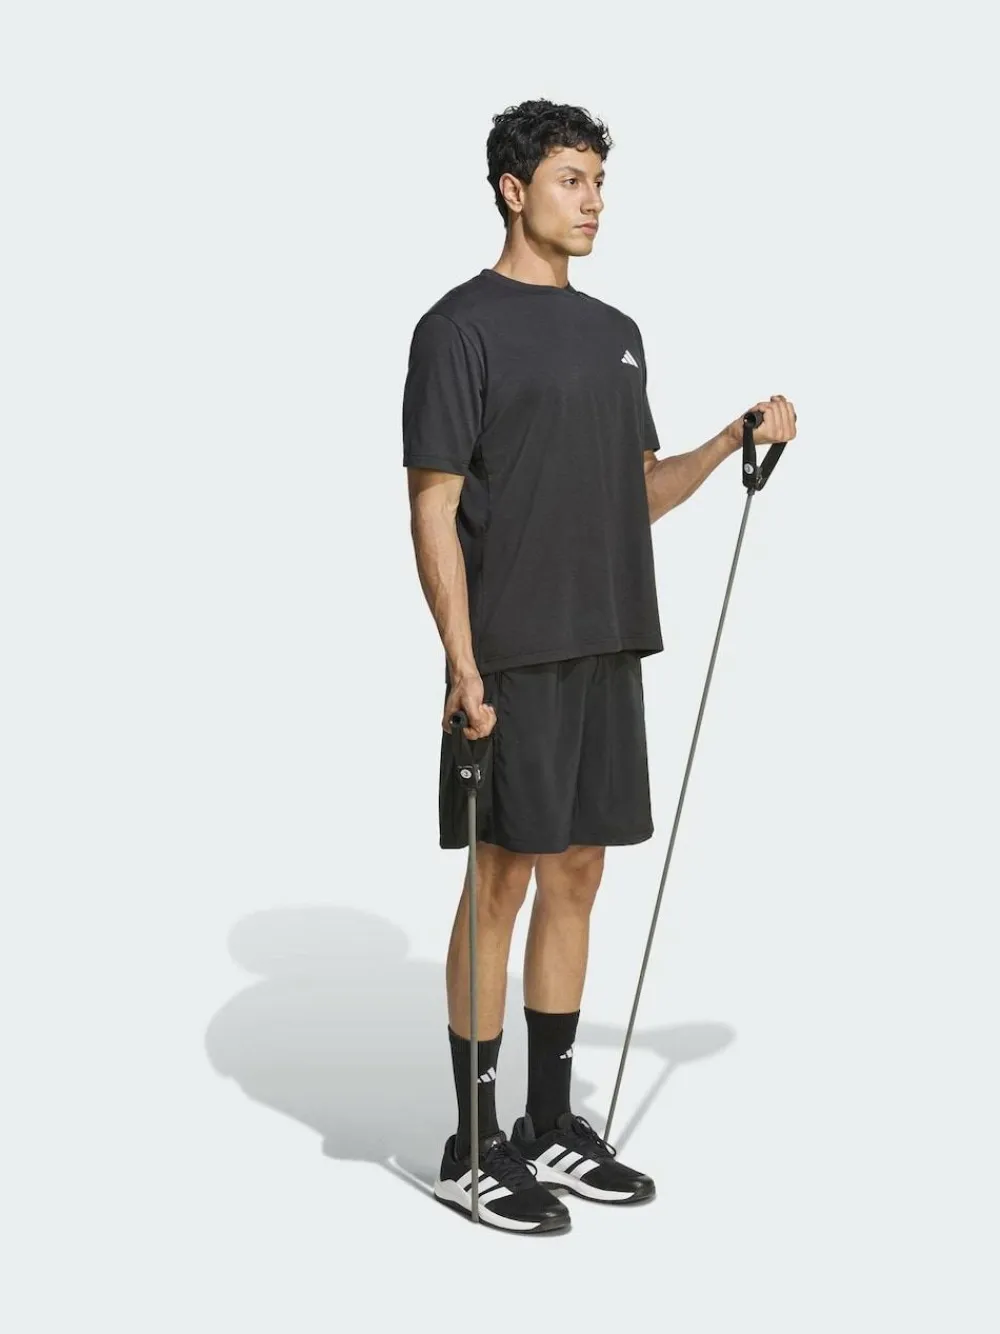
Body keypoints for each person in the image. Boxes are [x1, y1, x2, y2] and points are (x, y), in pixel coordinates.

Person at [402, 98, 797, 1235]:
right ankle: (471, 1142)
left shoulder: (617, 331)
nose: (593, 201)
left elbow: (633, 493)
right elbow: (432, 508)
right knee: (500, 879)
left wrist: (725, 445)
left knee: (577, 871)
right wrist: (461, 662)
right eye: (571, 180)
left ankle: (545, 1123)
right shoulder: (457, 328)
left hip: (610, 639)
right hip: (512, 655)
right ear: (512, 189)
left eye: (599, 182)